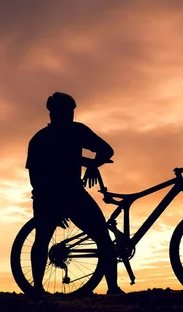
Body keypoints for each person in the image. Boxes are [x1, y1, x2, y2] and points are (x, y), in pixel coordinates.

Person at [25, 92, 124, 295]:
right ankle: (37, 288)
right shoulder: (50, 137)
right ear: (54, 114)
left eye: (71, 112)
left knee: (101, 238)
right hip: (58, 194)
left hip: (66, 194)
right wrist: (92, 164)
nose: (69, 116)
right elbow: (36, 176)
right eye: (66, 112)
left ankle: (112, 287)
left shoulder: (47, 137)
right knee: (45, 239)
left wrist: (91, 165)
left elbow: (106, 150)